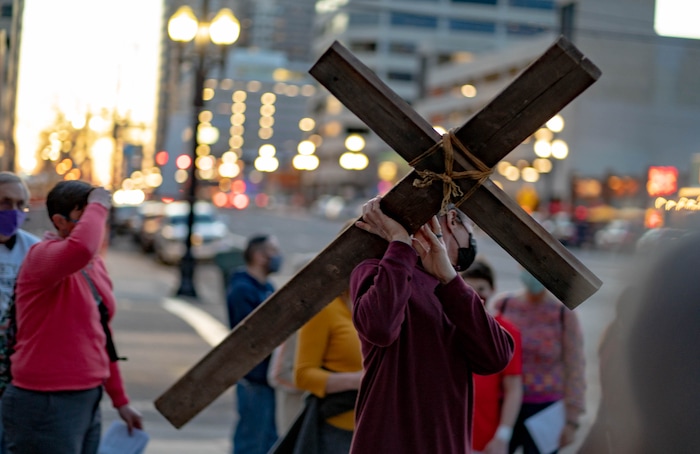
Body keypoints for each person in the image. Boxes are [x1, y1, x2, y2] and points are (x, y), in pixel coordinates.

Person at [349, 197, 514, 454]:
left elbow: (496, 357)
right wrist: (400, 245)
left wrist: (450, 279)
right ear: (452, 220)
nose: (470, 238)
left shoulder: (454, 289)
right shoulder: (378, 270)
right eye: (469, 228)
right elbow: (380, 327)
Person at [1, 180, 143, 453]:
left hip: (87, 396)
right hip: (45, 401)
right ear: (59, 221)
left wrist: (120, 400)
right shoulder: (42, 257)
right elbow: (82, 247)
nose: (97, 223)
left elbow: (100, 335)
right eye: (87, 216)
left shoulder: (93, 266)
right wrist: (99, 202)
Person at [491, 269, 585, 454]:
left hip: (546, 410)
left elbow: (575, 366)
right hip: (505, 406)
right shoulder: (504, 304)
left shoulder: (562, 313)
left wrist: (572, 420)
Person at [226, 234, 283, 454]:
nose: (277, 257)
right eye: (273, 251)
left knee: (268, 440)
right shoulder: (243, 289)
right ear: (259, 256)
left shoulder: (266, 285)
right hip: (254, 378)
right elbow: (252, 337)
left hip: (268, 376)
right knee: (252, 442)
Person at [461, 260, 523, 454]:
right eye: (469, 288)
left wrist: (502, 436)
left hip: (485, 441)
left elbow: (513, 388)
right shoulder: (445, 325)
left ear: (493, 290)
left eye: (481, 289)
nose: (477, 295)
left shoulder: (506, 332)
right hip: (448, 435)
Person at [291, 288, 362, 453]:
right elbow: (303, 374)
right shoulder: (326, 309)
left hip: (383, 428)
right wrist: (358, 380)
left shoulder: (383, 309)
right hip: (341, 431)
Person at [0, 172, 40, 453]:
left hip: (17, 364)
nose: (12, 211)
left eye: (20, 205)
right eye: (5, 203)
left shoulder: (34, 250)